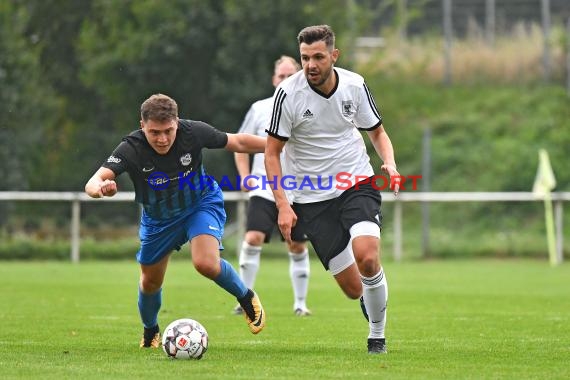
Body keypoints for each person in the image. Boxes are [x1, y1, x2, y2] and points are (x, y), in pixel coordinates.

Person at [85, 93, 267, 348]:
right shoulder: (131, 148)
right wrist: (101, 188)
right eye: (154, 132)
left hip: (200, 204)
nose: (162, 138)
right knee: (150, 282)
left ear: (177, 123)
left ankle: (246, 297)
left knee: (205, 263)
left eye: (168, 131)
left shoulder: (193, 133)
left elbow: (236, 141)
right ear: (142, 126)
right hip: (159, 220)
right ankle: (150, 330)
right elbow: (92, 182)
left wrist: (278, 144)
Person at [264, 25, 400, 354]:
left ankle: (377, 337)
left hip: (356, 182)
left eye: (318, 57)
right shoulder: (288, 94)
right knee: (354, 289)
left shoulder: (354, 85)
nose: (311, 64)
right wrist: (283, 204)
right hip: (311, 199)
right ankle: (368, 302)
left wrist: (391, 164)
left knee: (367, 257)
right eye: (305, 57)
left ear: (333, 56)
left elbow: (377, 132)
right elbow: (272, 152)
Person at [233, 56, 311, 317]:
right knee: (253, 238)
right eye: (281, 76)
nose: (285, 80)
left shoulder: (308, 106)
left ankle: (300, 303)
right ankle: (245, 299)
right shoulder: (259, 108)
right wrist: (245, 176)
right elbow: (239, 145)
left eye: (291, 75)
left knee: (297, 245)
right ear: (273, 79)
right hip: (265, 187)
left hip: (298, 189)